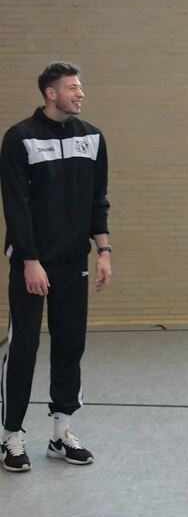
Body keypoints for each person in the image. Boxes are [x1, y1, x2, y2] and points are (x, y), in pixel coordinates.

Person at [0, 61, 112, 472]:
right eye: (72, 87)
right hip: (32, 263)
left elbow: (98, 197)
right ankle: (11, 435)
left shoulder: (93, 137)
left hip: (72, 262)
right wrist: (30, 260)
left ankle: (61, 432)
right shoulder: (20, 139)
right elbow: (16, 206)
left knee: (70, 346)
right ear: (50, 93)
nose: (79, 93)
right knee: (25, 347)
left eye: (80, 87)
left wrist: (103, 250)